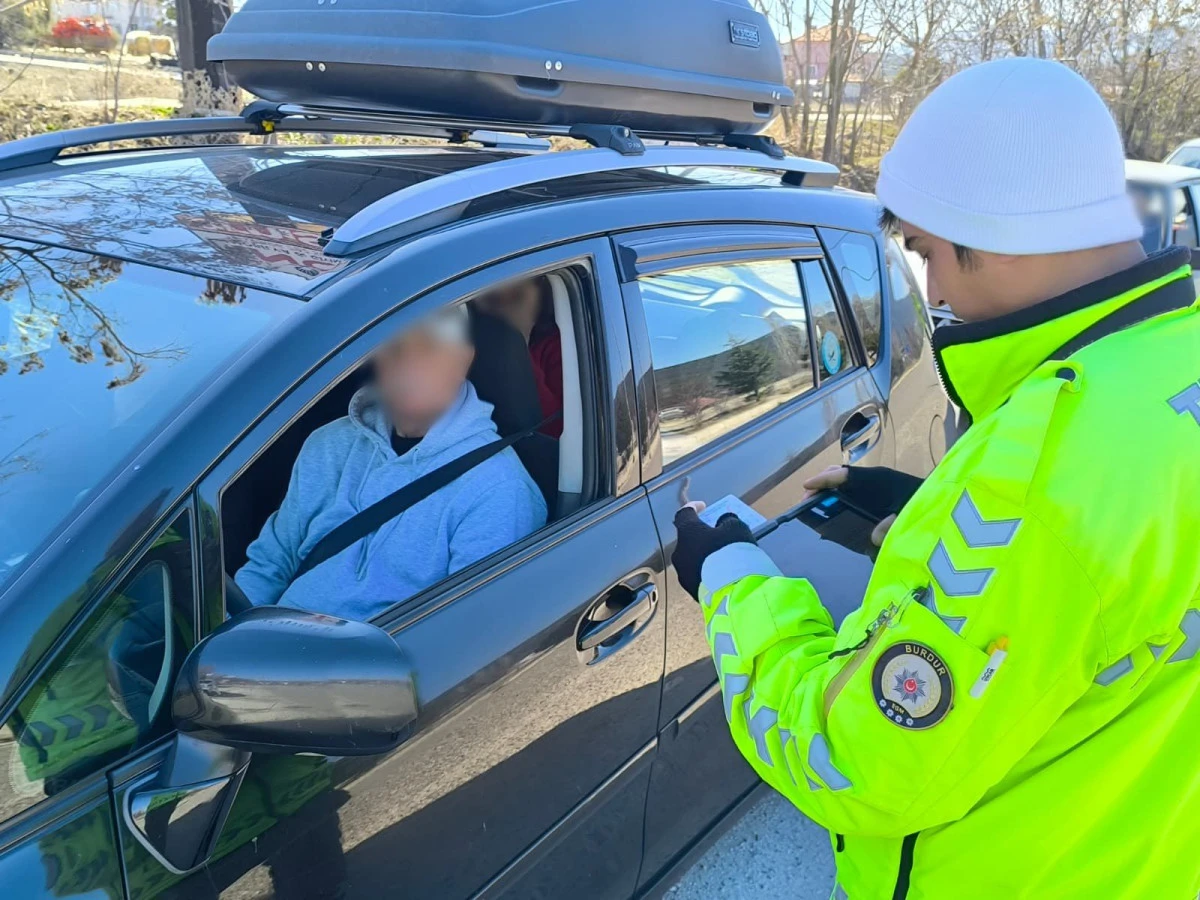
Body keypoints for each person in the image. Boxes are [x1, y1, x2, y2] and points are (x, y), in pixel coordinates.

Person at [672, 58, 1200, 900]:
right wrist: (929, 512)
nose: (935, 290)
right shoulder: (1174, 363)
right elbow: (1106, 590)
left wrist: (734, 578)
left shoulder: (1035, 484)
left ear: (985, 236)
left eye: (923, 252)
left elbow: (855, 763)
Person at [236, 306, 547, 621]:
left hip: (368, 666)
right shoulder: (329, 443)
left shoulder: (500, 490)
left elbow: (462, 635)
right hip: (267, 646)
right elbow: (269, 564)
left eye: (428, 348)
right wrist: (223, 638)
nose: (408, 365)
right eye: (396, 347)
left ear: (462, 358)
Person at [474, 278, 564, 438]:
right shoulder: (467, 347)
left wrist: (516, 342)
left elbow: (553, 431)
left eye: (516, 297)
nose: (502, 310)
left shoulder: (561, 348)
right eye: (492, 300)